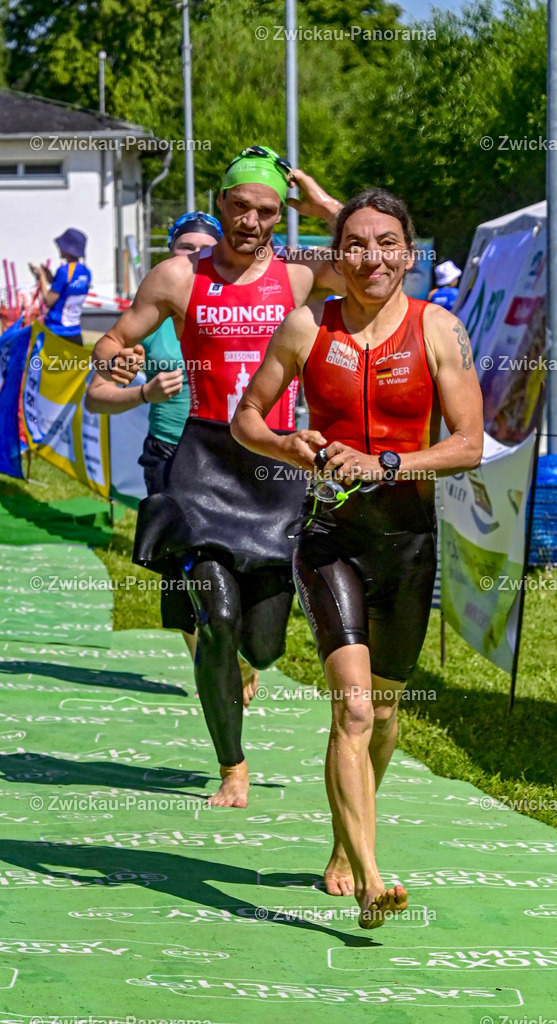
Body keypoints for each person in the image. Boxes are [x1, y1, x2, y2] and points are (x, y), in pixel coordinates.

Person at [231, 188, 484, 927]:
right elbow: (248, 415)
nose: (370, 258)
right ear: (336, 255)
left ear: (408, 254)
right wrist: (285, 444)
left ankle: (345, 846)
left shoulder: (439, 329)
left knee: (388, 712)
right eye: (354, 244)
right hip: (328, 535)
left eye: (385, 244)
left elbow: (468, 443)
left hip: (406, 540)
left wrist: (389, 465)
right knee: (354, 705)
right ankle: (374, 878)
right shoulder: (306, 326)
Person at [90, 145, 343, 808]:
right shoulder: (178, 276)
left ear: (277, 214)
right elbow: (116, 339)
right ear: (221, 204)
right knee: (217, 616)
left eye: (266, 210)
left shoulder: (296, 276)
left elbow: (381, 261)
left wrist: (321, 204)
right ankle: (232, 767)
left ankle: (245, 666)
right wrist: (115, 358)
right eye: (239, 206)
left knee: (262, 643)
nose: (251, 221)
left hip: (274, 464)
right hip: (200, 460)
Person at [85, 212, 223, 661]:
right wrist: (143, 391)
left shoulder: (236, 314)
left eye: (206, 249)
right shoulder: (152, 317)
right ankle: (207, 654)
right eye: (186, 248)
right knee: (179, 564)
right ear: (170, 255)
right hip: (169, 456)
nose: (195, 257)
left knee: (235, 558)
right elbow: (96, 397)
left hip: (228, 454)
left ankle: (234, 647)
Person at [29, 229, 92, 345]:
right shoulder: (86, 272)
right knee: (73, 364)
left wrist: (42, 277)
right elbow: (68, 289)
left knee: (49, 363)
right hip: (75, 332)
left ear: (68, 250)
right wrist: (51, 277)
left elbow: (48, 301)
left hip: (56, 331)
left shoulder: (64, 271)